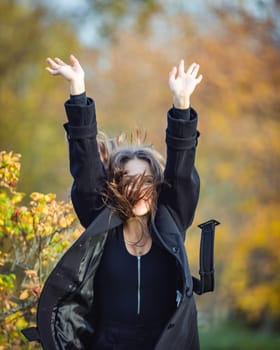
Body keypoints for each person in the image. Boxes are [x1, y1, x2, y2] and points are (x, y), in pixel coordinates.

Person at [23, 55, 203, 349]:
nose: (137, 189)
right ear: (116, 187)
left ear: (157, 187)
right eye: (128, 181)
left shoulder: (170, 222)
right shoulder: (101, 224)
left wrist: (182, 103)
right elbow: (87, 169)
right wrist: (77, 91)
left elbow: (182, 173)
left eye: (146, 181)